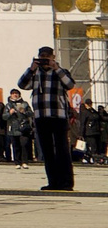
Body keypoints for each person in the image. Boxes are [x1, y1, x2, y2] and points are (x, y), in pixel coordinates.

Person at [19, 47, 76, 191]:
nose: (44, 59)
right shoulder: (35, 74)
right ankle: (53, 182)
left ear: (53, 57)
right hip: (41, 116)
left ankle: (66, 182)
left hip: (58, 116)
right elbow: (22, 84)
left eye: (47, 57)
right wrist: (31, 68)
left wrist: (55, 68)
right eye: (41, 57)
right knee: (47, 151)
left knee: (62, 150)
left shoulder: (60, 72)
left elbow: (69, 84)